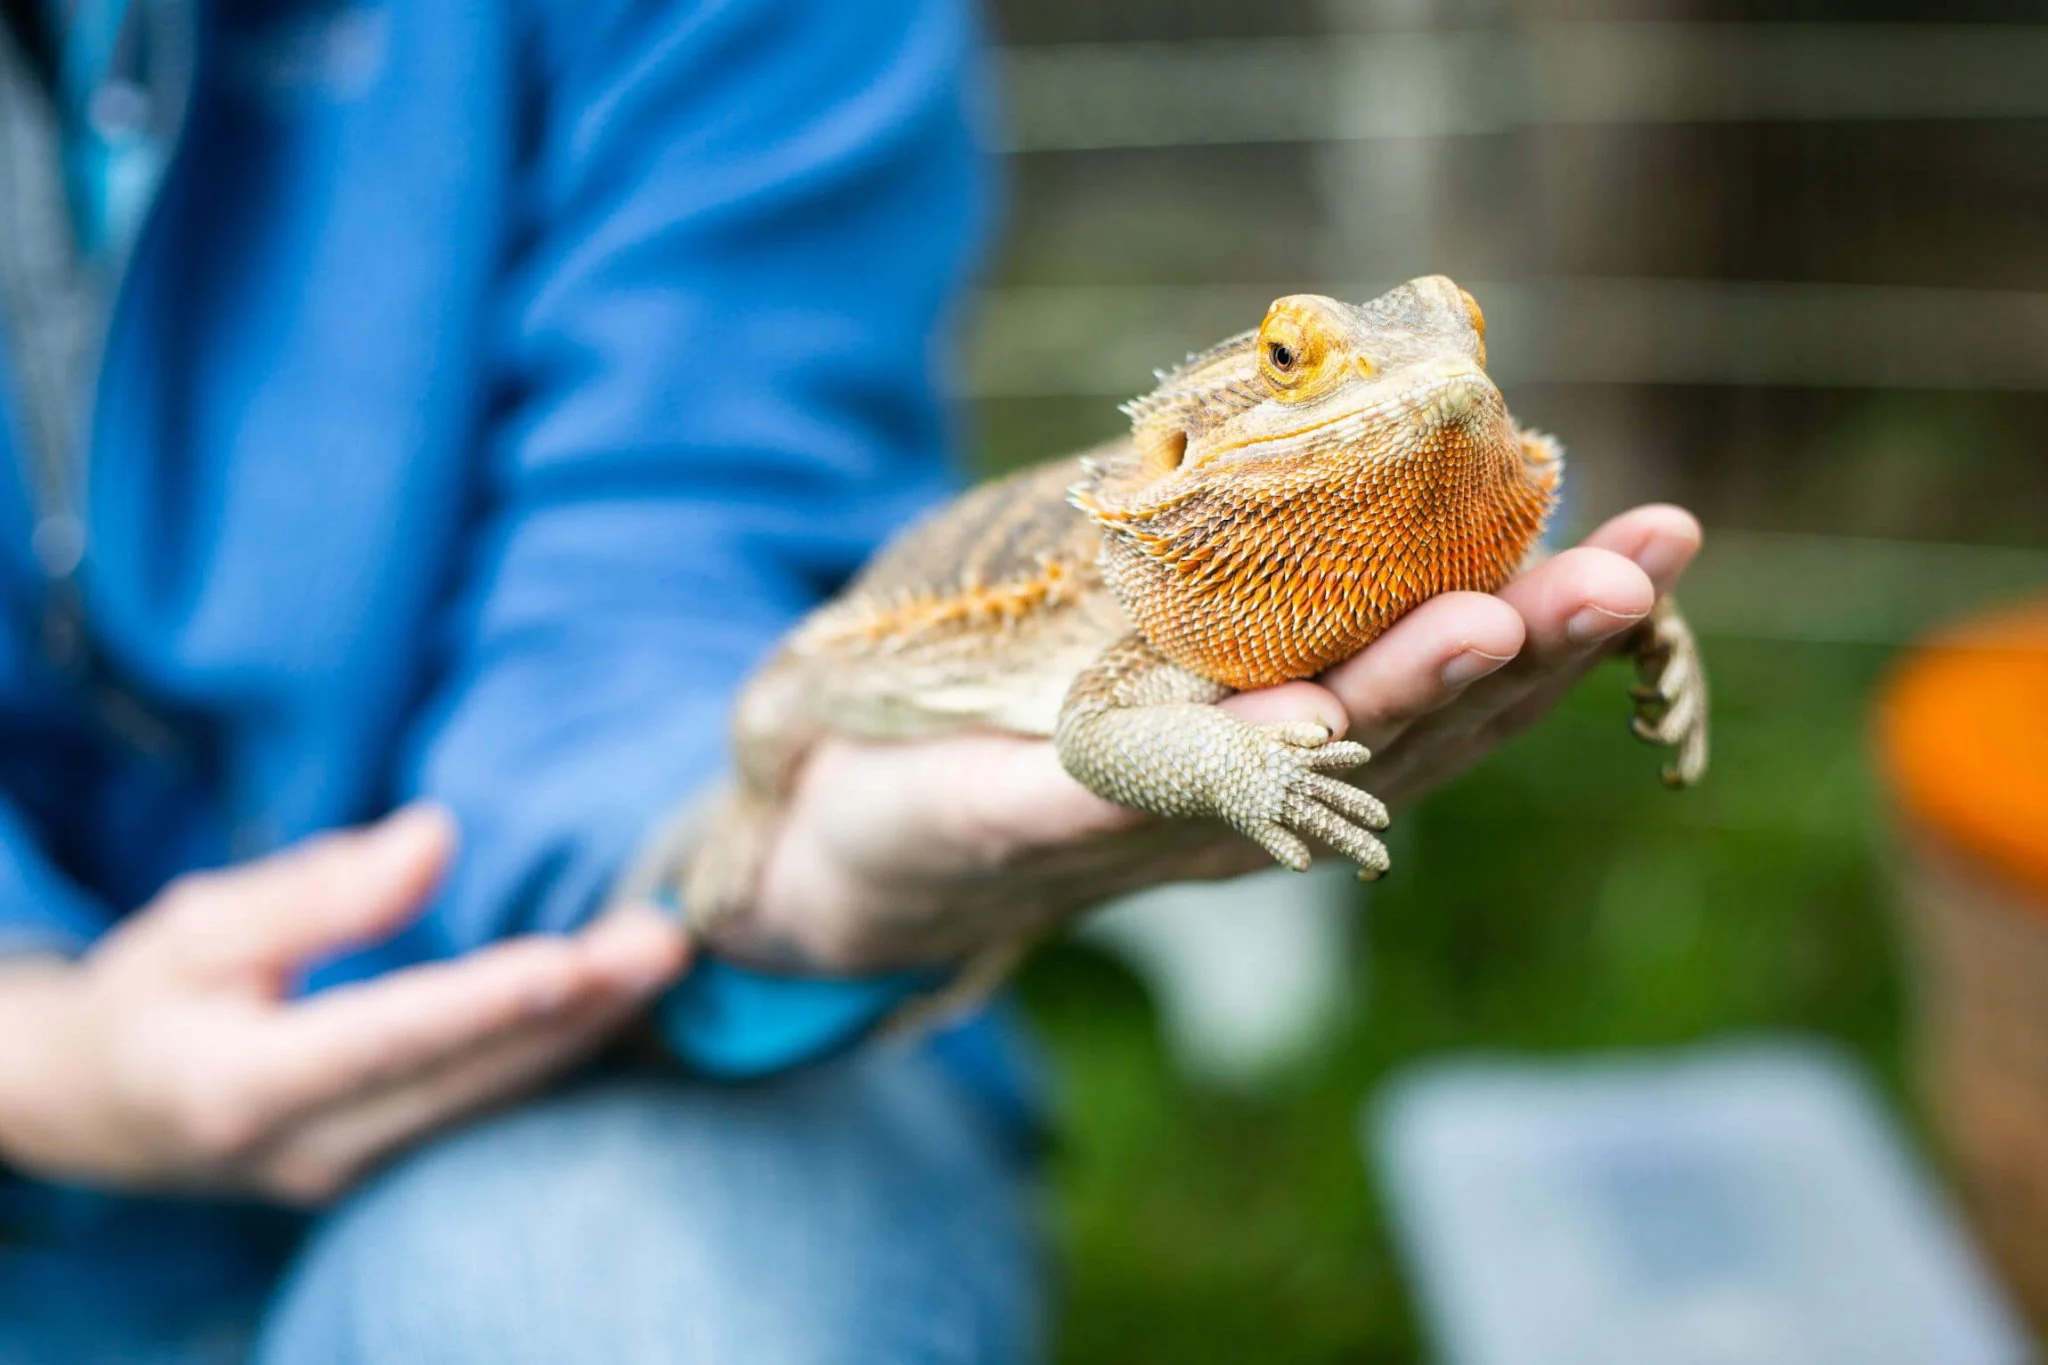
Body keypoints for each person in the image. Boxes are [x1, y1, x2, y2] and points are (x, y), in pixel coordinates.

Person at [0, 0, 1703, 1360]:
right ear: (1194, 430)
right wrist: (43, 1047)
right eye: (1292, 366)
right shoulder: (1162, 556)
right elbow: (1120, 721)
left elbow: (677, 537)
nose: (1423, 389)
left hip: (679, 975)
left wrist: (740, 886)